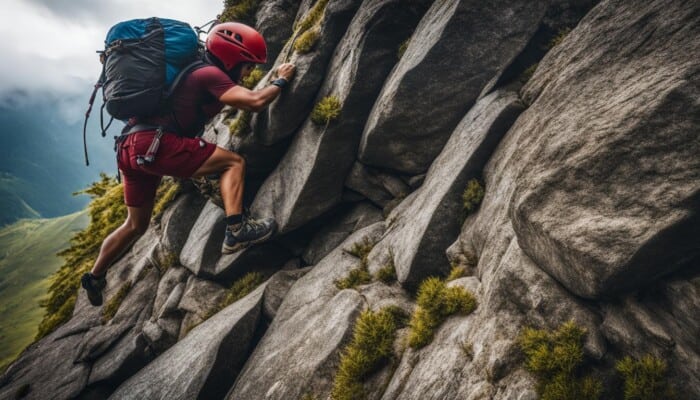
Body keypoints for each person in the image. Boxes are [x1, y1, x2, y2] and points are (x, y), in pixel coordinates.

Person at [80, 22, 296, 306]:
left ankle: (95, 277)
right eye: (247, 66)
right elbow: (254, 101)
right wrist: (280, 80)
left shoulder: (188, 71)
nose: (249, 73)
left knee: (134, 224)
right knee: (233, 163)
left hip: (129, 148)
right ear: (232, 57)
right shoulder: (208, 73)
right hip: (157, 146)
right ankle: (237, 231)